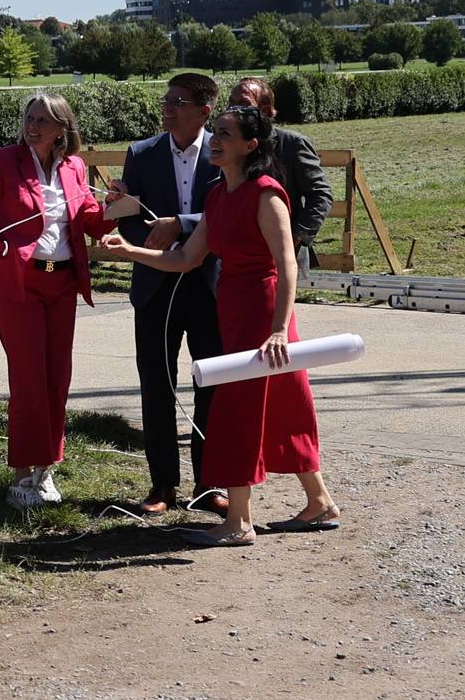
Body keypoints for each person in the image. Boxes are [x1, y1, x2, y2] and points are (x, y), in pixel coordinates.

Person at [97, 105, 339, 546]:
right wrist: (129, 251)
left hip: (264, 315)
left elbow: (287, 266)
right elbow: (185, 258)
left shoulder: (266, 194)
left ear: (250, 145)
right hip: (234, 310)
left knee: (235, 411)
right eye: (217, 132)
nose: (215, 140)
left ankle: (238, 521)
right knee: (283, 406)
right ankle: (319, 502)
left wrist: (279, 329)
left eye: (225, 134)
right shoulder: (219, 195)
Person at [0, 92, 143, 508]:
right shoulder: (3, 162)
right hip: (19, 284)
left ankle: (46, 470)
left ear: (62, 128)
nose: (33, 126)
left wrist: (113, 208)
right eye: (29, 117)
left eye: (43, 119)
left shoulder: (74, 167)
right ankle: (21, 476)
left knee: (57, 379)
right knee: (29, 381)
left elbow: (90, 221)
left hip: (62, 285)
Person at [116, 72, 224, 516]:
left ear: (204, 111)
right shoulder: (141, 153)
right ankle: (162, 484)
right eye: (166, 100)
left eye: (177, 102)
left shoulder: (224, 151)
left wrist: (182, 226)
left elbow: (230, 211)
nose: (167, 108)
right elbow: (126, 219)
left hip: (209, 287)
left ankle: (210, 482)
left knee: (211, 384)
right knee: (157, 385)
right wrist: (147, 235)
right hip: (155, 287)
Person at [225, 77, 332, 269]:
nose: (234, 109)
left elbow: (320, 194)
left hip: (285, 257)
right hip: (240, 255)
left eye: (243, 103)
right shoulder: (227, 146)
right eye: (231, 103)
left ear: (265, 110)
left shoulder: (292, 144)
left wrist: (296, 236)